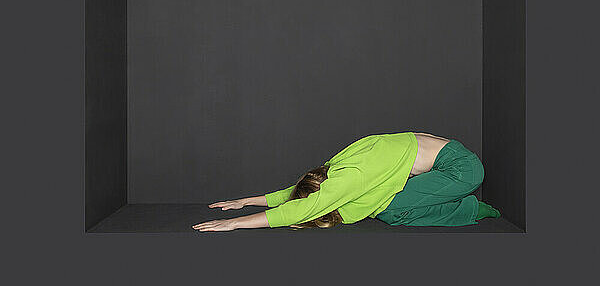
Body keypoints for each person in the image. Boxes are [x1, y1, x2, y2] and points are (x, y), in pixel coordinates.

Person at [192, 131, 501, 232]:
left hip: (464, 171)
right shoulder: (336, 166)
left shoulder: (350, 177)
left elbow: (300, 210)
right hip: (452, 157)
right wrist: (247, 200)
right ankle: (465, 207)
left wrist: (236, 223)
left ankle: (472, 209)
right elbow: (295, 193)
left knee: (390, 211)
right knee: (385, 204)